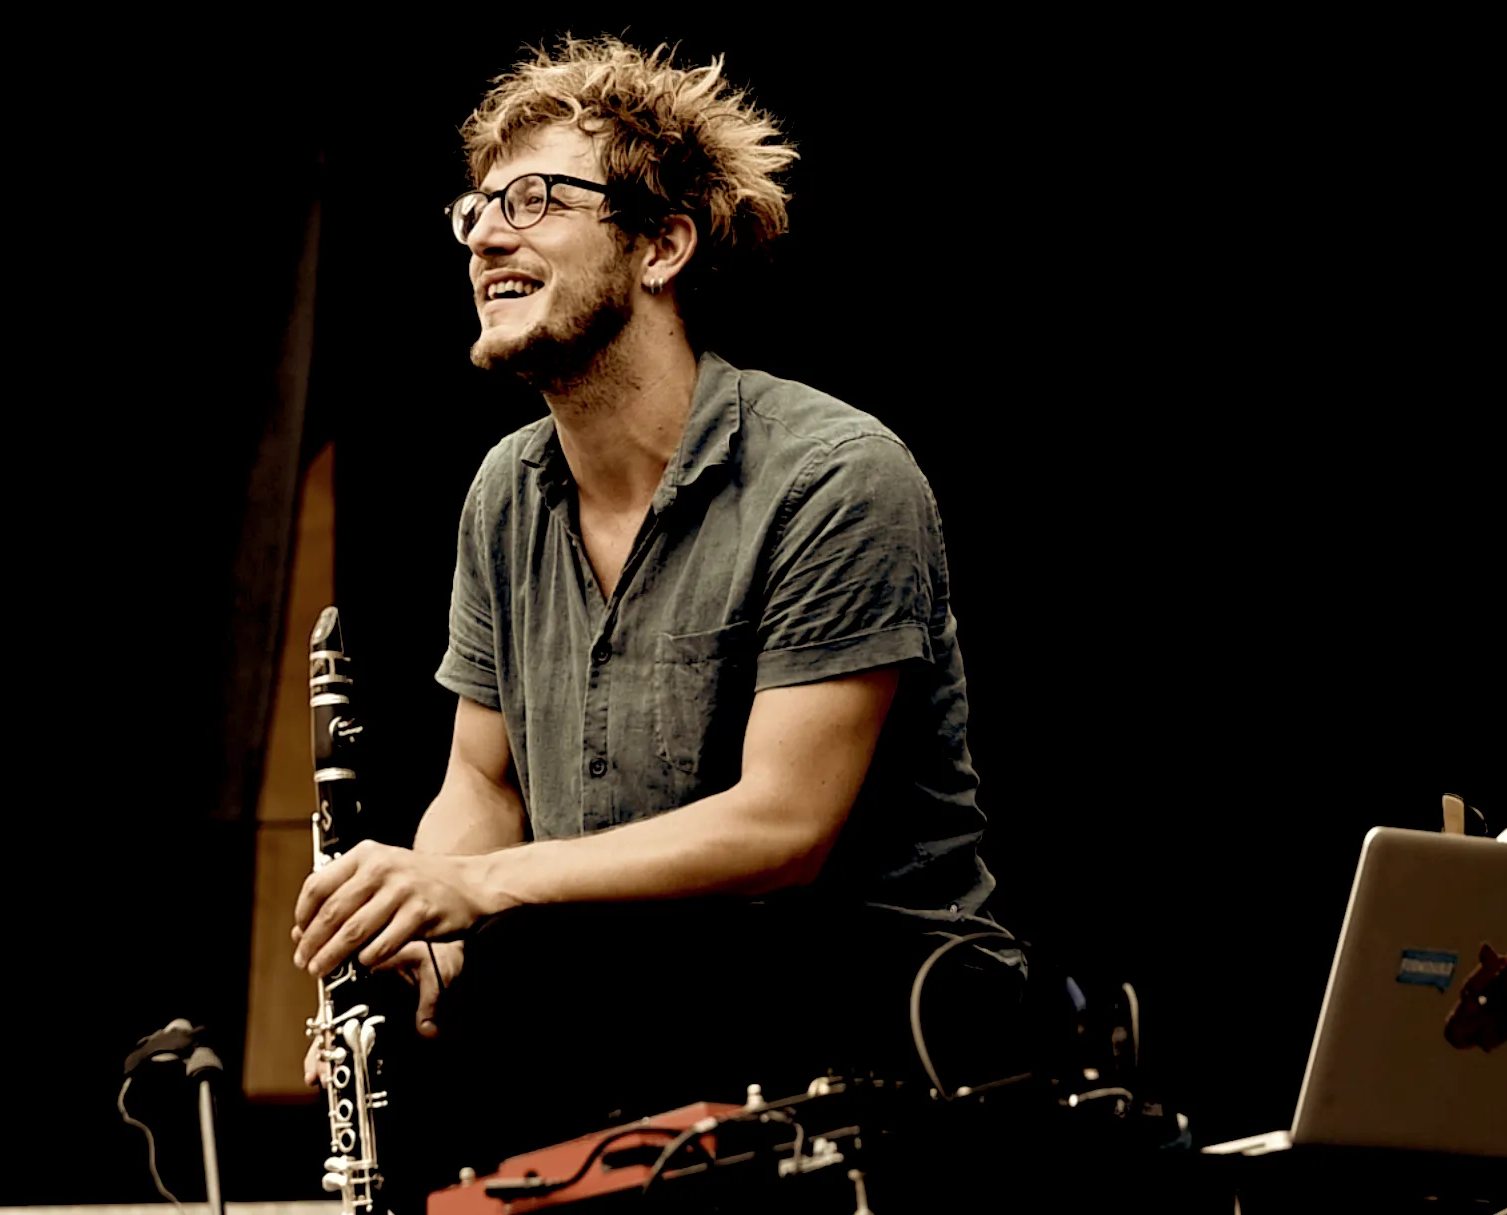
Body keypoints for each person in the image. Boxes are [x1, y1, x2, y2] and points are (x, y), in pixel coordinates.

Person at [290, 35, 1013, 1190]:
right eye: (475, 209)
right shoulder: (503, 493)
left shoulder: (834, 475)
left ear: (661, 246)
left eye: (535, 199)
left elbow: (784, 827)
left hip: (870, 1049)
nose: (485, 235)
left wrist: (479, 886)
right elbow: (482, 783)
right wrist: (422, 920)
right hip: (630, 1034)